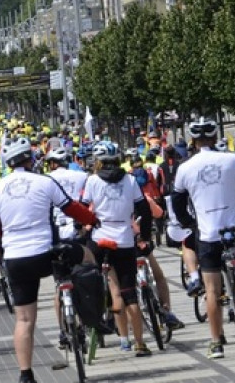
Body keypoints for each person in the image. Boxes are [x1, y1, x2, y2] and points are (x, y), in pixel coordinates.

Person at [0, 136, 98, 383]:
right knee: (86, 256)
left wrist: (8, 234)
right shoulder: (45, 181)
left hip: (16, 258)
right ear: (31, 158)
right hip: (47, 252)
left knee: (24, 319)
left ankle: (26, 374)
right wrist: (92, 220)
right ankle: (94, 312)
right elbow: (71, 209)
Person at [172, 117, 235, 361]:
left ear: (193, 141)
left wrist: (188, 222)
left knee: (212, 291)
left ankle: (216, 342)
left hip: (208, 235)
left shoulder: (185, 168)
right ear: (216, 138)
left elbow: (177, 201)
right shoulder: (231, 159)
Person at [82, 140, 153, 357]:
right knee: (129, 292)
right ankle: (140, 343)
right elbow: (144, 209)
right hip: (124, 238)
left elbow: (83, 208)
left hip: (100, 236)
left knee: (107, 287)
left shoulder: (92, 181)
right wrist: (145, 235)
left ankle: (119, 336)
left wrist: (84, 228)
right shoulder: (130, 180)